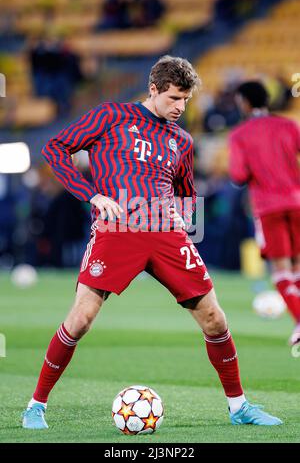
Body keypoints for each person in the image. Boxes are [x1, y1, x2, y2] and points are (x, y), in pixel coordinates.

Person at [22, 57, 282, 429]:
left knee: (214, 318)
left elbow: (187, 194)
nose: (180, 107)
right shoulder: (111, 116)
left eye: (186, 101)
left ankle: (239, 406)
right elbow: (55, 149)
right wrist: (92, 195)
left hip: (166, 234)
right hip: (117, 232)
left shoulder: (182, 140)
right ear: (154, 89)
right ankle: (36, 406)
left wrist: (189, 231)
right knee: (79, 320)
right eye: (174, 98)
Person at [229, 80, 300, 346]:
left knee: (281, 269)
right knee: (298, 267)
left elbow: (237, 175)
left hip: (268, 206)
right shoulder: (289, 125)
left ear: (244, 103)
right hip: (297, 200)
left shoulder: (239, 134)